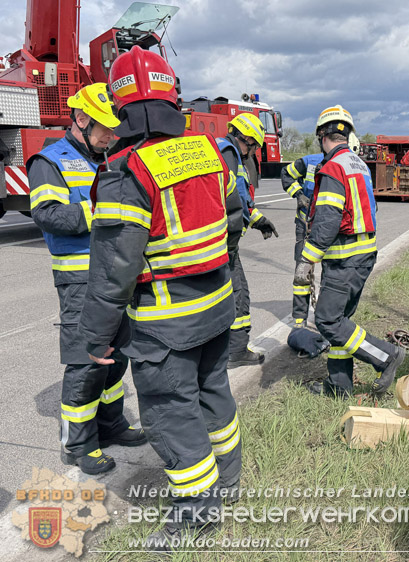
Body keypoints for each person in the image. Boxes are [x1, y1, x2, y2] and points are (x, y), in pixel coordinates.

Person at [77, 46, 241, 549]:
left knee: (172, 411)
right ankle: (228, 486)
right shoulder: (208, 150)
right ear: (172, 94)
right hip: (217, 305)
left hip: (165, 320)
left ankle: (196, 513)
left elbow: (112, 272)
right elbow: (233, 219)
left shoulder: (126, 171)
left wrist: (94, 338)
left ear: (120, 105)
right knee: (214, 394)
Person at [27, 83, 146, 475]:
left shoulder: (107, 158)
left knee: (116, 358)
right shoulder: (50, 161)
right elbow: (47, 215)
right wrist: (103, 212)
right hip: (80, 281)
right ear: (80, 119)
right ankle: (78, 444)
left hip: (115, 278)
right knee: (86, 362)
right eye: (104, 129)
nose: (111, 136)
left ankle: (110, 424)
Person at [294, 105, 405, 398]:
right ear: (347, 133)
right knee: (341, 322)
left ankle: (386, 356)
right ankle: (339, 387)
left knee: (328, 321)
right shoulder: (358, 164)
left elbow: (328, 220)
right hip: (363, 255)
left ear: (321, 135)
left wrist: (307, 259)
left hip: (345, 259)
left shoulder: (332, 168)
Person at [216, 113, 278, 368]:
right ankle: (237, 350)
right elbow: (237, 198)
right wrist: (256, 218)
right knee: (238, 293)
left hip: (213, 239)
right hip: (224, 244)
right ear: (248, 140)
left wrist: (256, 219)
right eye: (253, 147)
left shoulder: (218, 148)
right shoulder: (231, 154)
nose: (253, 152)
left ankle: (222, 349)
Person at [280, 152, 323, 329]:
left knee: (331, 273)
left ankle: (326, 317)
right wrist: (298, 194)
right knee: (302, 271)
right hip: (305, 223)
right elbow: (286, 173)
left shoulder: (342, 165)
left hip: (327, 227)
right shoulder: (309, 162)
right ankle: (299, 318)